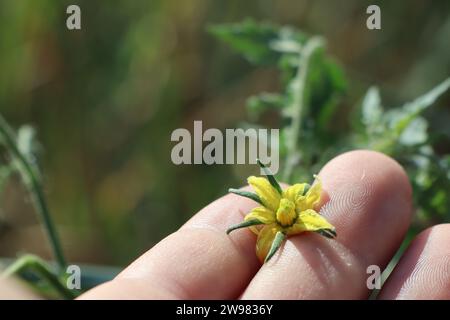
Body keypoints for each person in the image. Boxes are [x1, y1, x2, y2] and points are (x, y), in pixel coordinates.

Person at [3, 150, 450, 299]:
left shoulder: (300, 216)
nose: (288, 214)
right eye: (285, 213)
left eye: (293, 211)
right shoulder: (269, 224)